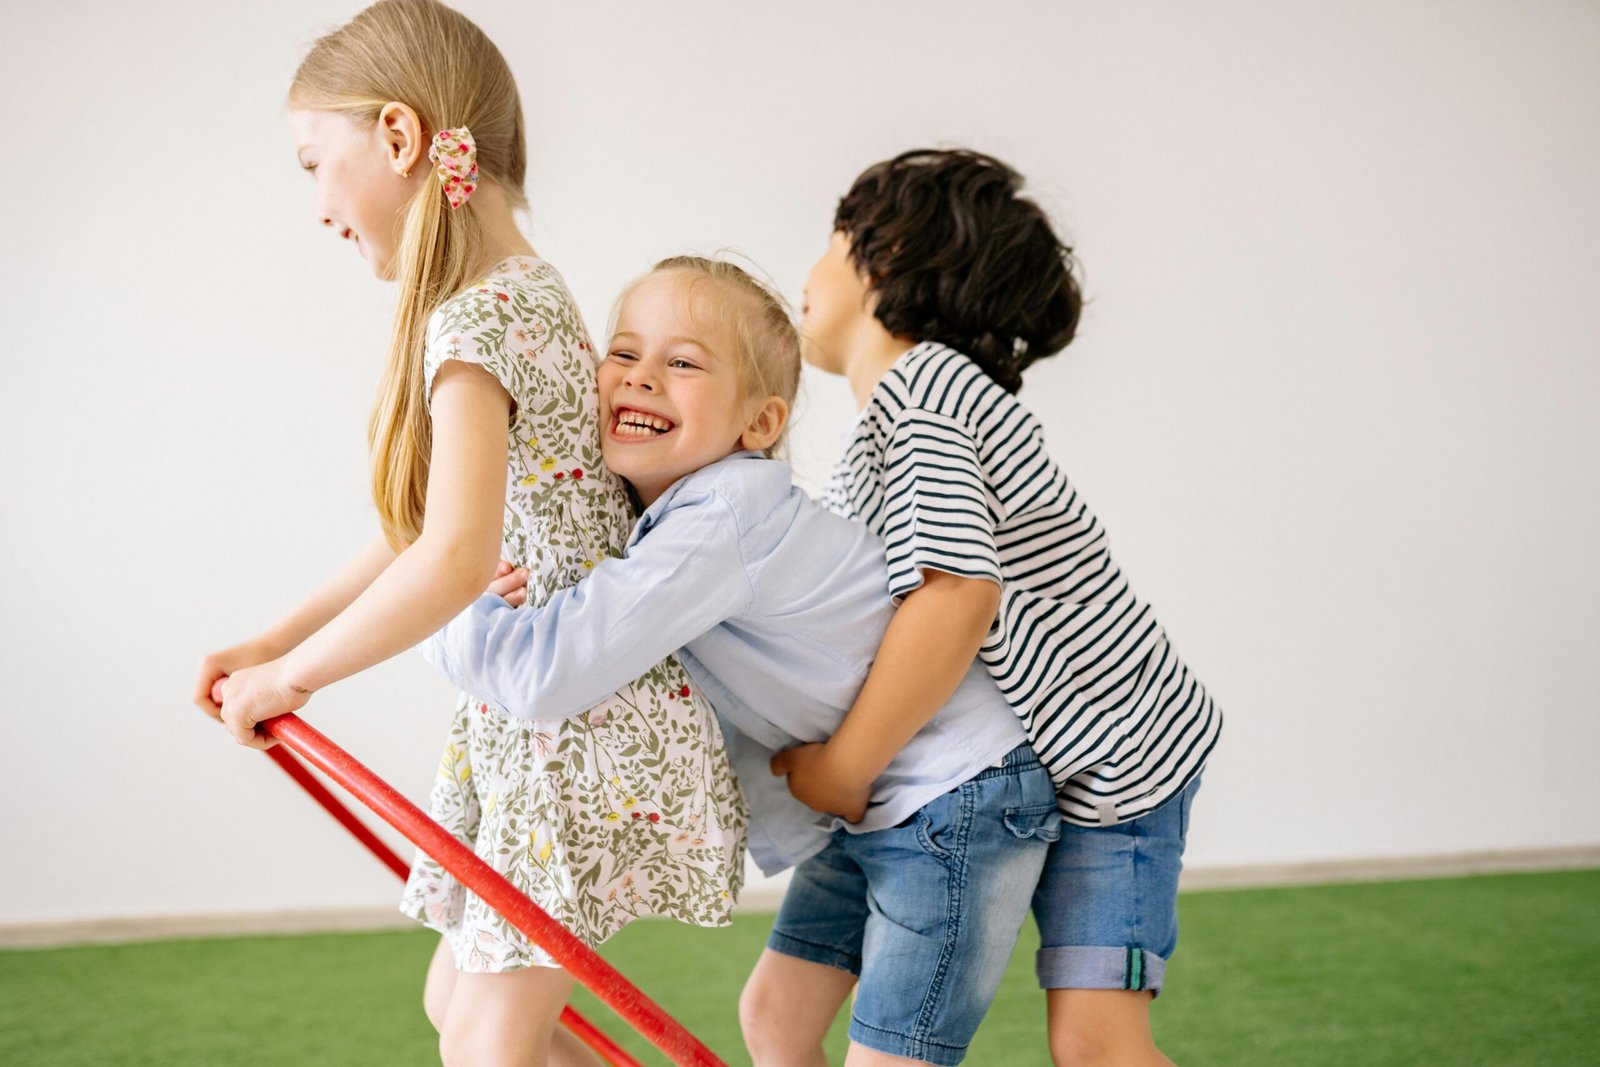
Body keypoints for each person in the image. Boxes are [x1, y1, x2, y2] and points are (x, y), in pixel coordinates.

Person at [189, 4, 744, 1064]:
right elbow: (421, 529)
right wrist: (272, 642)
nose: (315, 205)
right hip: (564, 718)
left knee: (487, 1042)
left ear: (400, 139)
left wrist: (297, 675)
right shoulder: (527, 289)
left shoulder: (473, 321)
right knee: (467, 1004)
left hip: (568, 734)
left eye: (316, 162)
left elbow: (449, 559)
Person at [423, 254, 1061, 1067]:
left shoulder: (724, 511)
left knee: (894, 1054)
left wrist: (456, 608)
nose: (642, 377)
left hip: (958, 793)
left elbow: (547, 672)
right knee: (773, 1015)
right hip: (875, 798)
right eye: (623, 353)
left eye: (682, 362)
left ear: (758, 425)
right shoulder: (676, 511)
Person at [775, 148, 1224, 1067]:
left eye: (826, 245)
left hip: (1118, 769)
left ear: (883, 255)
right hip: (1026, 766)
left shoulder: (928, 395)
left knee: (1099, 1044)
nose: (807, 278)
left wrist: (845, 768)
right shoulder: (898, 418)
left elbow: (956, 598)